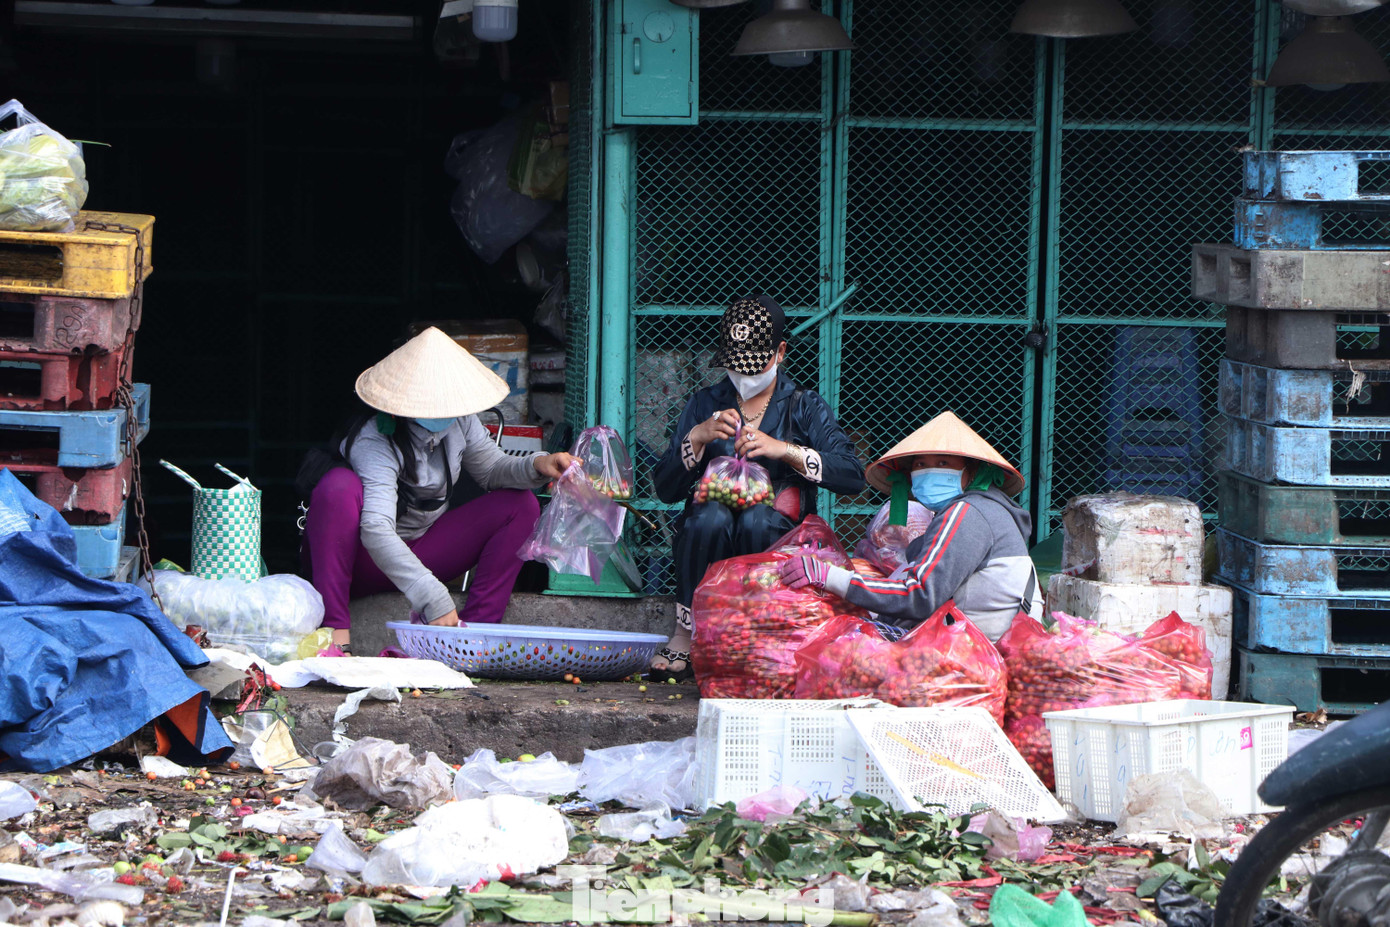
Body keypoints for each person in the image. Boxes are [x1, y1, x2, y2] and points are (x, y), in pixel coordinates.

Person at [300, 327, 577, 653]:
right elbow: (375, 529)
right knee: (337, 488)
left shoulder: (459, 419)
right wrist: (432, 596)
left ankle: (473, 641)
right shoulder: (372, 437)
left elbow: (491, 470)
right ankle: (336, 638)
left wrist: (538, 464)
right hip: (360, 561)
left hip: (422, 550)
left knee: (521, 505)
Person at [651, 294, 866, 680]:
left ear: (780, 351)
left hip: (774, 535)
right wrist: (696, 439)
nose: (744, 375)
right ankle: (688, 630)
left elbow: (851, 474)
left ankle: (756, 632)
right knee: (709, 518)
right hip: (709, 531)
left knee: (757, 521)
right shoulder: (705, 403)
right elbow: (665, 488)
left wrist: (784, 450)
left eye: (754, 364)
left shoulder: (804, 405)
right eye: (736, 365)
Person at [778, 411, 1041, 642]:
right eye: (921, 465)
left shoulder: (968, 512)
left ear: (971, 471)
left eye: (943, 463)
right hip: (994, 641)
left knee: (840, 649)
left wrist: (829, 577)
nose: (929, 471)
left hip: (977, 652)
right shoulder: (991, 509)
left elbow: (920, 595)